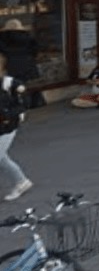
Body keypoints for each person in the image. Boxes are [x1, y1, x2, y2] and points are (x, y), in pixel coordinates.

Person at [0, 54, 33, 201]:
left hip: (7, 125)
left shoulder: (10, 83)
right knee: (2, 158)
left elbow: (24, 102)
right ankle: (22, 181)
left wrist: (12, 115)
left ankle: (21, 181)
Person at [0, 18, 39, 85]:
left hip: (11, 72)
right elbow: (35, 53)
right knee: (33, 91)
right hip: (29, 71)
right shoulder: (28, 38)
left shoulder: (3, 40)